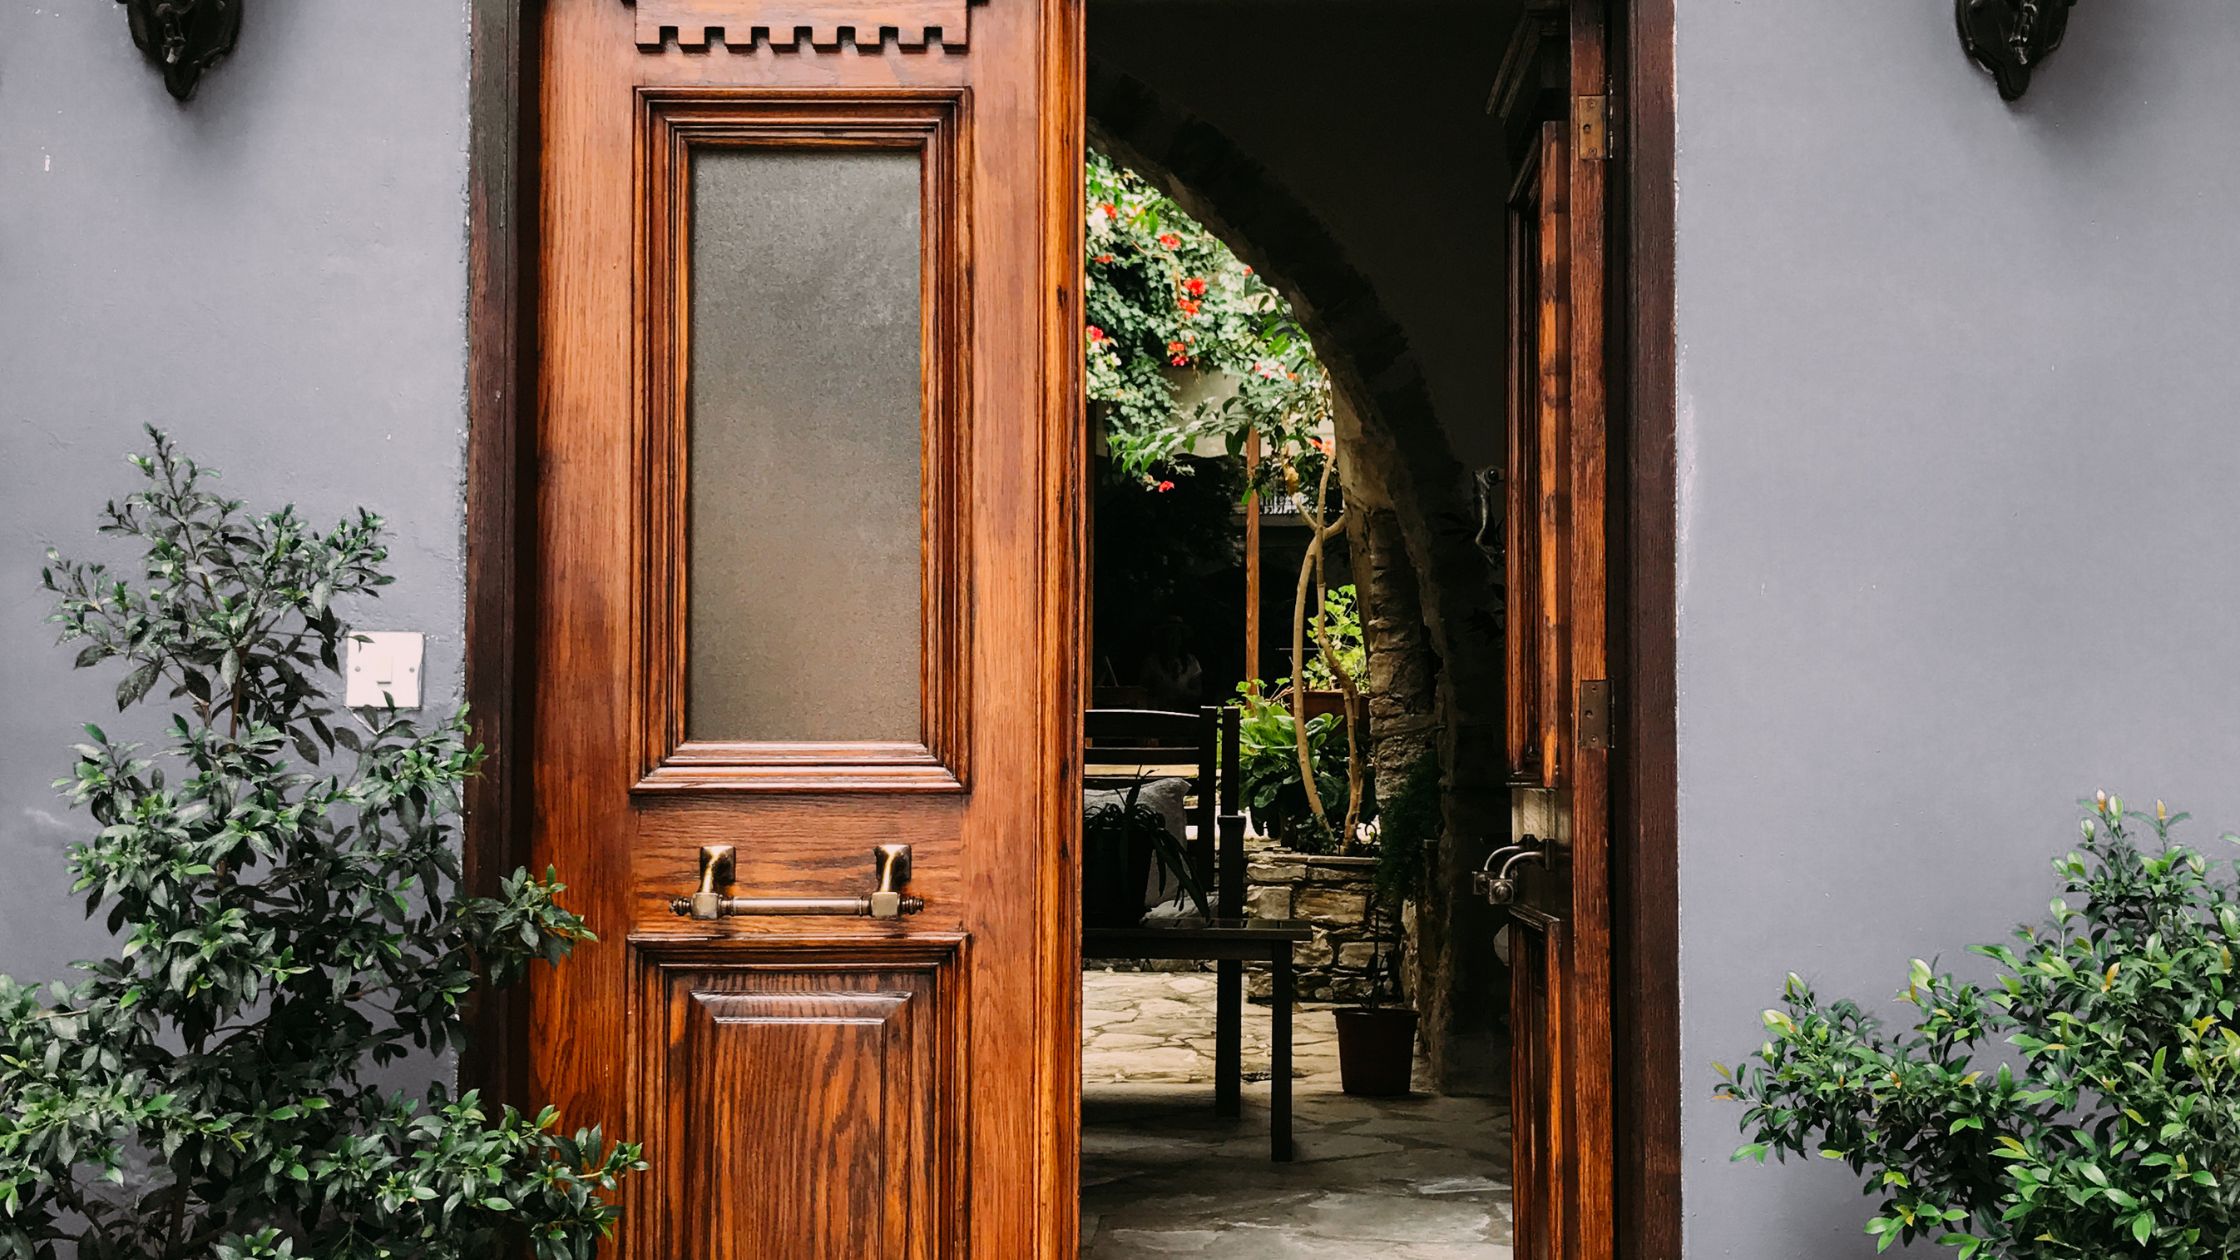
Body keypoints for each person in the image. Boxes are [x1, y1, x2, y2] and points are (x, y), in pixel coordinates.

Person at [1133, 615, 1203, 713]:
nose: (1173, 639)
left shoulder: (1191, 662)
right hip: (1157, 714)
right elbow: (1141, 691)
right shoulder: (1152, 662)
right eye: (1169, 634)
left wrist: (1181, 694)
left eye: (1176, 635)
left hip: (1182, 715)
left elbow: (1197, 692)